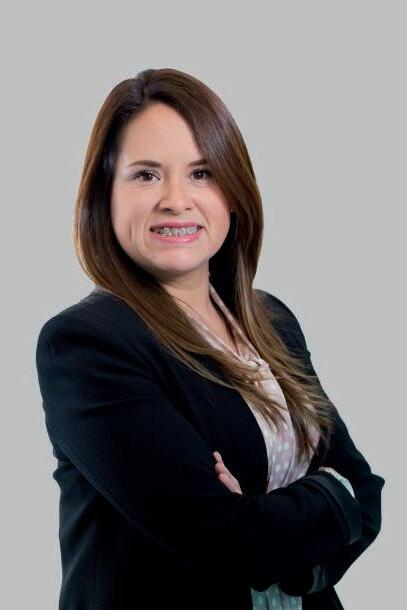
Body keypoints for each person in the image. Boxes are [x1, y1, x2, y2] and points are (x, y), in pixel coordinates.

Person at [35, 67, 385, 610]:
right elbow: (229, 540)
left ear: (234, 192)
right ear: (106, 193)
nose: (176, 199)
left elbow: (366, 493)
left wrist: (280, 525)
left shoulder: (272, 320)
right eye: (146, 175)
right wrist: (323, 499)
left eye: (202, 173)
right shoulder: (87, 345)